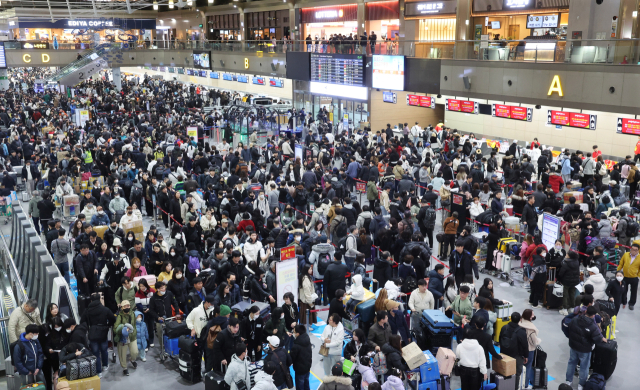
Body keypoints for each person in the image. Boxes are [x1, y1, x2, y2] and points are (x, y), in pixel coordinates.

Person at [565, 306, 608, 389]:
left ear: (586, 312)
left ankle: (568, 381)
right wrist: (602, 339)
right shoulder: (593, 326)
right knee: (584, 367)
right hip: (585, 350)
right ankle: (581, 384)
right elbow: (597, 339)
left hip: (573, 346)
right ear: (593, 315)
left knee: (571, 363)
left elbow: (569, 328)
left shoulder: (575, 319)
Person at [80, 293, 114, 378]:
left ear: (91, 300)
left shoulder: (87, 310)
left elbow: (82, 321)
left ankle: (99, 372)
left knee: (95, 353)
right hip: (103, 332)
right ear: (99, 300)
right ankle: (105, 365)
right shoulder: (105, 309)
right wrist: (108, 325)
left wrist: (88, 326)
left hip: (92, 333)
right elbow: (113, 319)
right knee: (104, 350)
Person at [498, 312, 528, 388]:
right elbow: (525, 345)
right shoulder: (521, 331)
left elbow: (500, 339)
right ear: (520, 320)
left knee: (504, 372)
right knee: (517, 374)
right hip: (516, 356)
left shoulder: (504, 327)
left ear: (510, 318)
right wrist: (526, 356)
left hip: (504, 355)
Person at [113, 300, 138, 376]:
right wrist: (123, 329)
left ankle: (132, 359)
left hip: (132, 336)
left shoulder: (132, 314)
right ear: (122, 307)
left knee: (135, 352)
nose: (128, 307)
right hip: (123, 338)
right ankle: (124, 368)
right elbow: (115, 328)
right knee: (122, 354)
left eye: (129, 306)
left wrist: (133, 332)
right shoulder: (119, 316)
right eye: (126, 306)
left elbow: (134, 325)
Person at [520, 309, 540, 389]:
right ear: (529, 317)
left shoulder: (520, 323)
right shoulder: (531, 329)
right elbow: (535, 342)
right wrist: (539, 341)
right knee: (528, 367)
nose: (533, 316)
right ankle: (525, 384)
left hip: (520, 349)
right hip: (529, 350)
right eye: (532, 315)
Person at [617, 243, 640, 310]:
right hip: (625, 276)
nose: (633, 251)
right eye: (632, 249)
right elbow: (621, 264)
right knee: (623, 290)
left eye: (635, 250)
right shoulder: (626, 255)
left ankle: (631, 303)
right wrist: (618, 272)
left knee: (633, 292)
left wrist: (637, 276)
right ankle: (623, 301)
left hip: (634, 278)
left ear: (638, 250)